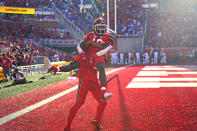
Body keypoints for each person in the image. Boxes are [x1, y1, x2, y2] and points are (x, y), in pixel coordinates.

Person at [48, 17, 113, 101]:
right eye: (99, 27)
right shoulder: (90, 35)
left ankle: (103, 92)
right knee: (74, 64)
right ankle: (55, 69)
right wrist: (82, 53)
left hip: (97, 56)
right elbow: (79, 45)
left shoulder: (108, 37)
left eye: (103, 27)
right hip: (87, 55)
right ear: (94, 27)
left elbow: (105, 49)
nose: (101, 30)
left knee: (101, 68)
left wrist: (95, 55)